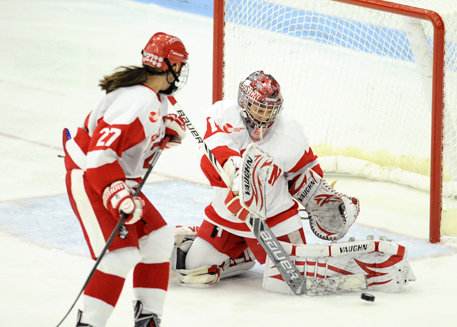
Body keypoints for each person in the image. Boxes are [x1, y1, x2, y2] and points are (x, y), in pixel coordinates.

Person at [169, 71, 361, 287]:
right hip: (228, 214)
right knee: (194, 271)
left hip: (274, 217)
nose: (263, 115)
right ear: (243, 101)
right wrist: (235, 170)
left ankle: (246, 250)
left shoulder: (290, 132)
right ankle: (238, 256)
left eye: (269, 109)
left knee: (296, 278)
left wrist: (320, 200)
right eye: (258, 107)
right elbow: (212, 154)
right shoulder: (222, 114)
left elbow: (303, 176)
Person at [63, 32, 189, 327]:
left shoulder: (155, 98)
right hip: (91, 177)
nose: (181, 72)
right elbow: (99, 156)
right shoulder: (138, 101)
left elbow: (128, 146)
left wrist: (162, 136)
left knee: (158, 241)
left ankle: (148, 321)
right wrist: (117, 194)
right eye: (180, 65)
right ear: (170, 66)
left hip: (115, 179)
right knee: (119, 258)